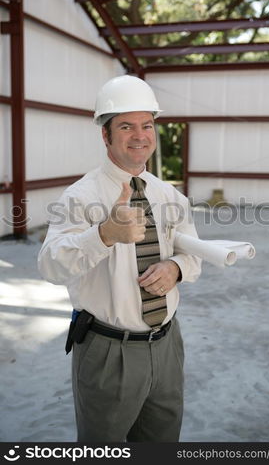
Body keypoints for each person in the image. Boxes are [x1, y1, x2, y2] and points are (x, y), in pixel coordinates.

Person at [38, 75, 201, 442]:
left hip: (168, 344)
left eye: (147, 125)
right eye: (126, 126)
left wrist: (176, 268)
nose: (140, 135)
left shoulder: (170, 197)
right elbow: (50, 265)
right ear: (105, 135)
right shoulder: (80, 197)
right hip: (109, 352)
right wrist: (103, 235)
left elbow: (193, 254)